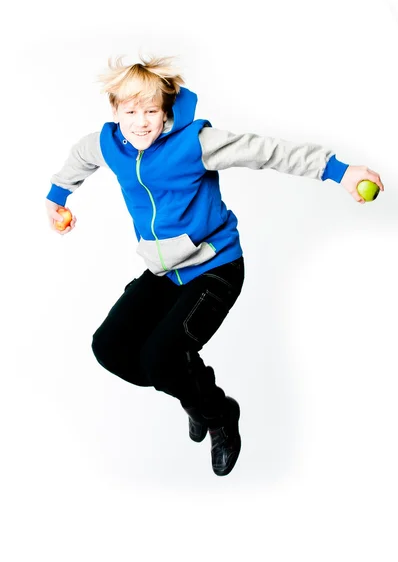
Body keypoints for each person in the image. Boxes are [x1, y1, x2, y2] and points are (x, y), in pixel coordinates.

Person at [45, 54, 384, 477]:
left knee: (159, 360)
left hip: (214, 267)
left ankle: (220, 414)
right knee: (109, 348)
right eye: (130, 111)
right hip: (164, 272)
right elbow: (82, 154)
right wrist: (57, 197)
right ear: (115, 112)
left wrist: (339, 170)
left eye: (151, 111)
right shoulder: (110, 143)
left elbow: (267, 151)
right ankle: (198, 396)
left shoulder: (194, 143)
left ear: (166, 111)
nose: (140, 122)